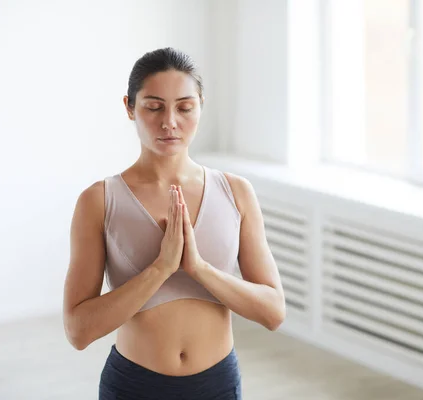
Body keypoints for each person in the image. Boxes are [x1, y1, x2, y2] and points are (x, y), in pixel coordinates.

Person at [62, 47, 286, 400]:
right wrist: (160, 269)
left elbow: (274, 312)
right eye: (154, 107)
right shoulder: (99, 200)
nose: (169, 122)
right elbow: (78, 331)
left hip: (217, 385)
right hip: (134, 385)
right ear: (129, 107)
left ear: (200, 106)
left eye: (184, 107)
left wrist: (198, 269)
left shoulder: (236, 193)